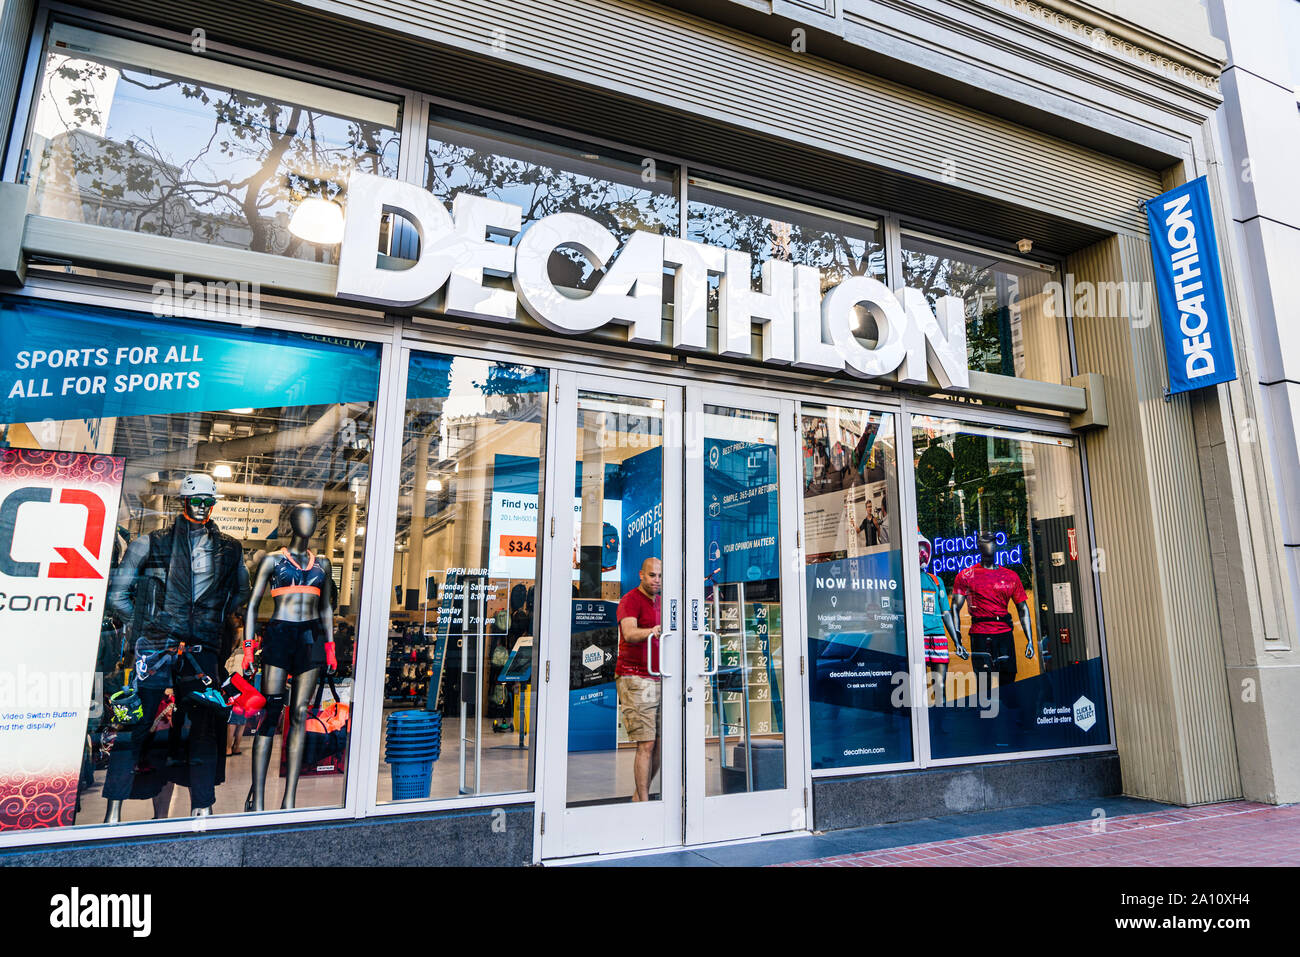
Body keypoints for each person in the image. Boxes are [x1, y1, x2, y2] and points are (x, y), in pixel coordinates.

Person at [616, 557, 662, 802]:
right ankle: (643, 804)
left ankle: (638, 797)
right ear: (641, 575)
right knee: (646, 743)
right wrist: (652, 631)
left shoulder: (663, 602)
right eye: (652, 575)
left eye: (660, 576)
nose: (656, 580)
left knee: (660, 744)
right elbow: (630, 633)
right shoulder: (629, 600)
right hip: (634, 676)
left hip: (659, 675)